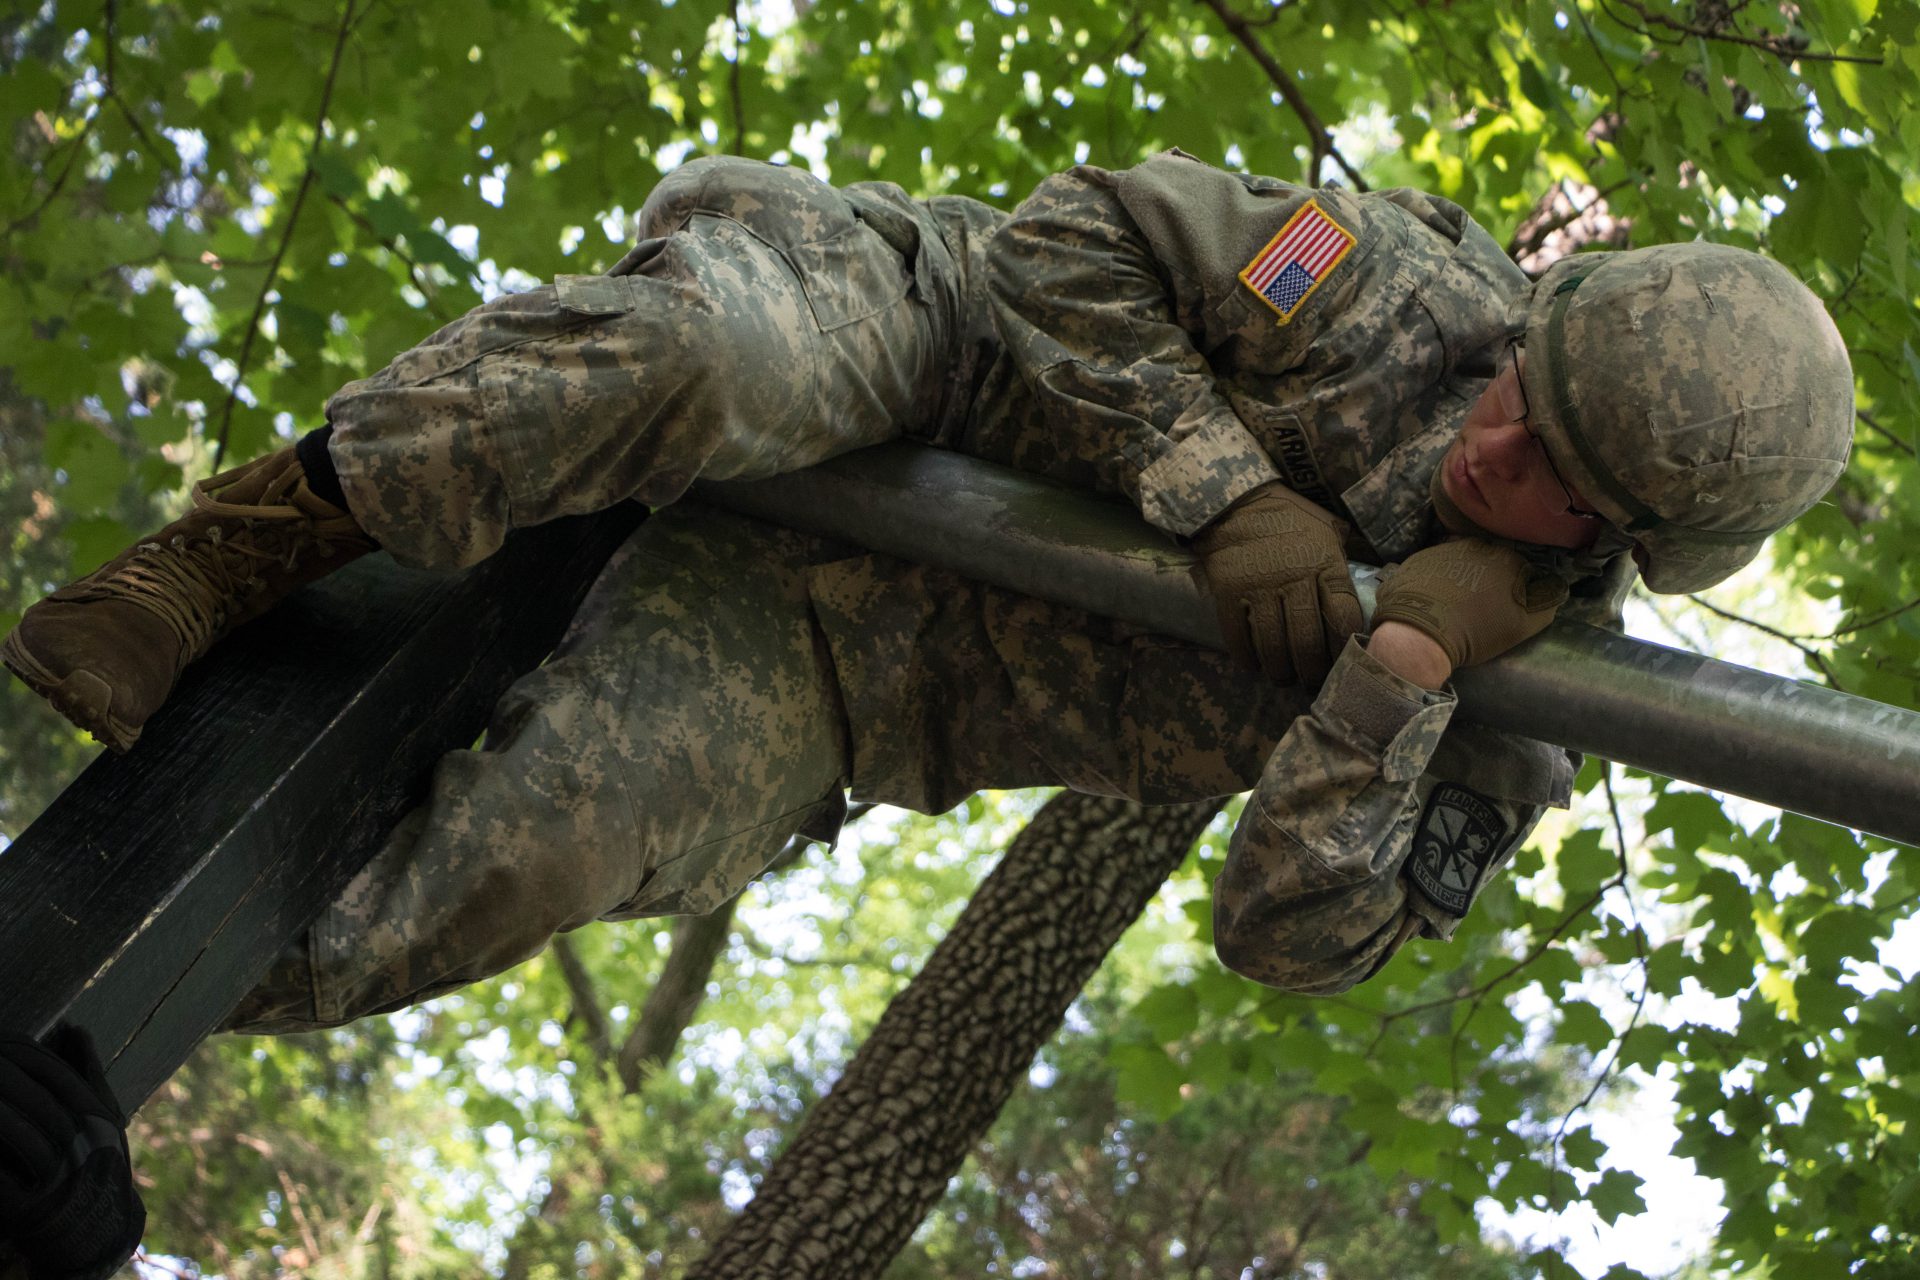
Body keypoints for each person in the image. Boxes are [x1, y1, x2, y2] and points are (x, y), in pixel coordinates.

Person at [2, 150, 1853, 1030]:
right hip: (925, 366)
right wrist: (1221, 492)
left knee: (523, 861)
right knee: (700, 356)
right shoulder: (1375, 275)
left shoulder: (1537, 716)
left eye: (1555, 483)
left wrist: (1395, 676)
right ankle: (239, 540)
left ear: (1617, 546)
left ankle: (62, 1059)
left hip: (869, 664)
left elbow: (1299, 942)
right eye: (1526, 398)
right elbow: (1072, 238)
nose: (1497, 454)